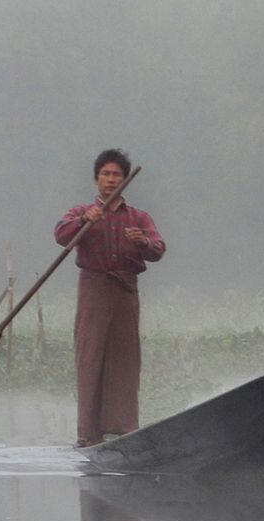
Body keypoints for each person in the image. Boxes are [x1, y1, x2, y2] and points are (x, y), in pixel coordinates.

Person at [55, 149, 165, 448]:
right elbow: (61, 235)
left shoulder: (139, 217)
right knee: (90, 355)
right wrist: (84, 222)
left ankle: (122, 429)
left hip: (125, 291)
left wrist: (142, 242)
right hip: (93, 289)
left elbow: (158, 249)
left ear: (125, 179)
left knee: (125, 358)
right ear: (96, 180)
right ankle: (89, 435)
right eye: (105, 174)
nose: (111, 179)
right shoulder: (81, 213)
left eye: (117, 174)